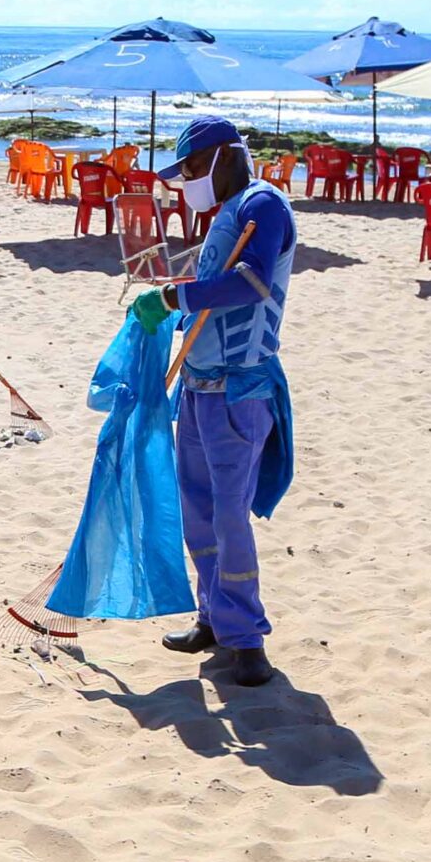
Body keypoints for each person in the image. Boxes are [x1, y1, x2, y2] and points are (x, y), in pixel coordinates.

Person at [128, 117, 296, 688]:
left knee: (229, 515)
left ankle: (246, 639)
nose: (189, 182)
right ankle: (212, 617)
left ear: (227, 155)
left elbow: (251, 283)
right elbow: (205, 294)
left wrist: (176, 294)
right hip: (197, 388)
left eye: (195, 168)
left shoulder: (263, 205)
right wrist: (172, 302)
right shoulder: (225, 214)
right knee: (197, 510)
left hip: (240, 387)